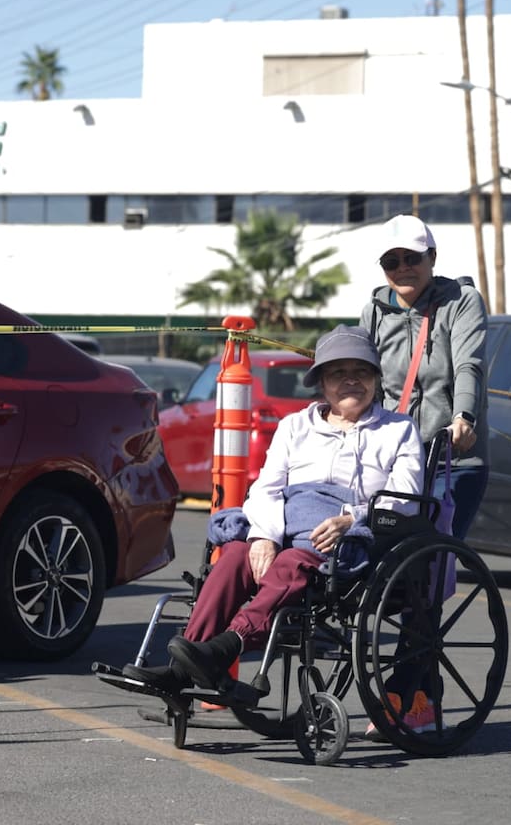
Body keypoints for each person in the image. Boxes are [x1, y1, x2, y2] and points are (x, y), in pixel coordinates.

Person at [122, 324, 423, 700]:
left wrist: (352, 519)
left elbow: (407, 498)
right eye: (338, 373)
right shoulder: (295, 425)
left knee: (291, 564)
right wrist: (263, 536)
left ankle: (229, 645)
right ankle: (188, 661)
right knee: (234, 556)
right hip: (283, 523)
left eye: (361, 372)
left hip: (343, 540)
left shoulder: (398, 430)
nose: (350, 382)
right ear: (322, 383)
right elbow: (266, 488)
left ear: (376, 380)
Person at [361, 214, 488, 540]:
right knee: (376, 550)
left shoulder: (461, 301)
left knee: (430, 556)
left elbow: (468, 366)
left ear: (432, 257)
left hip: (451, 458)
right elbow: (363, 381)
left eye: (412, 258)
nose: (402, 267)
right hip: (393, 458)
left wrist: (463, 417)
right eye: (391, 261)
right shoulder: (373, 312)